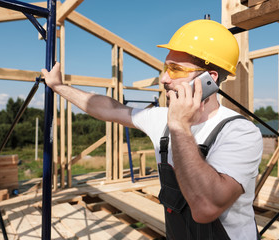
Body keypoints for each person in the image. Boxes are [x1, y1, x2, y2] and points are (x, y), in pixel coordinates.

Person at [42, 19, 263, 240]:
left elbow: (205, 208)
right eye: (166, 68)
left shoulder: (239, 132)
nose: (164, 78)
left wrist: (179, 126)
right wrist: (59, 87)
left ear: (209, 78)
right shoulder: (161, 119)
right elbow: (110, 109)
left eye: (175, 70)